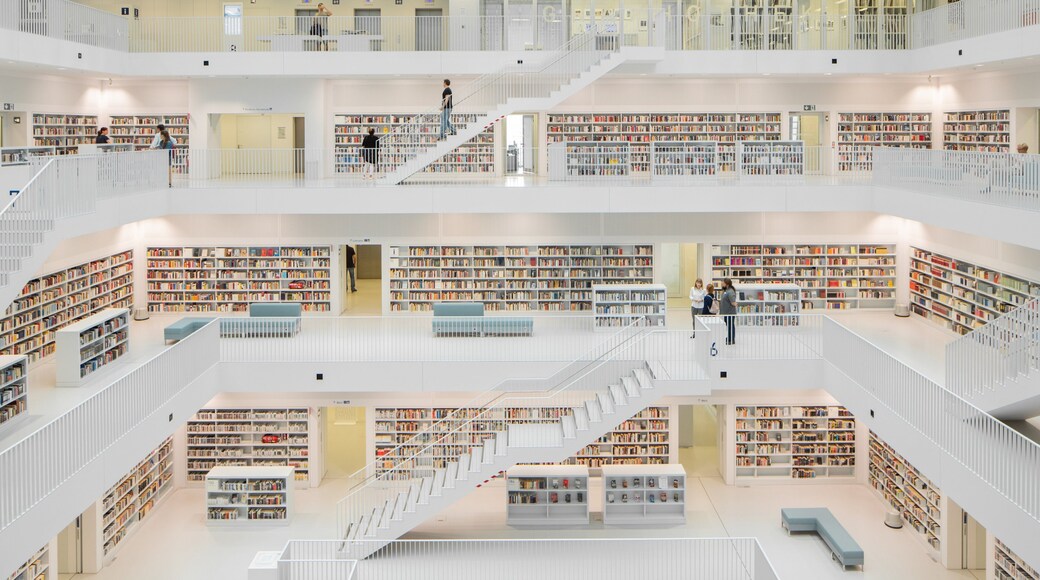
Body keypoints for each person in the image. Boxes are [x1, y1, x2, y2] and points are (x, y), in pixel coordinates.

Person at [720, 278, 738, 345]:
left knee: (730, 326)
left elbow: (733, 302)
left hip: (730, 313)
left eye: (723, 282)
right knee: (728, 326)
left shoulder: (730, 291)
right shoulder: (726, 290)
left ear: (727, 284)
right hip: (726, 313)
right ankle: (729, 338)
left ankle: (731, 340)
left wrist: (735, 304)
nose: (721, 283)